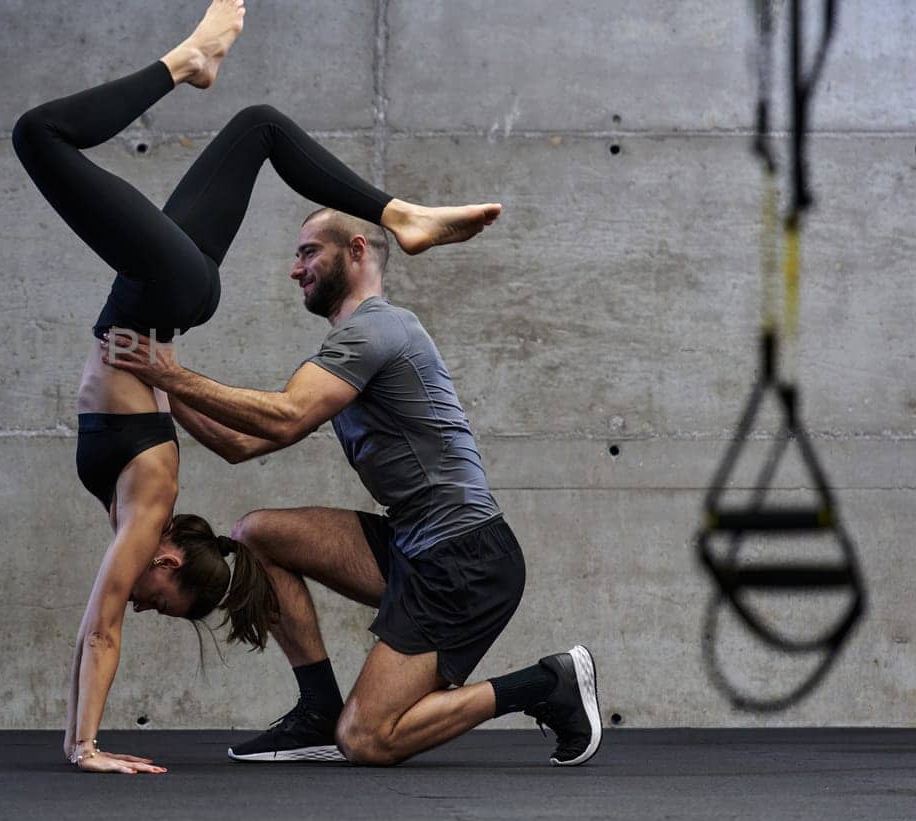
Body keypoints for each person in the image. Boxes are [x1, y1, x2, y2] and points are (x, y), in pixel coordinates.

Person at [11, 0, 503, 774]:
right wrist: (84, 746)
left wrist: (172, 385)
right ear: (167, 560)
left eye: (151, 606)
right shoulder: (146, 510)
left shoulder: (138, 505)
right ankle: (378, 198)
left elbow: (104, 616)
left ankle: (386, 203)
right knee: (55, 133)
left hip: (166, 290)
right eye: (157, 596)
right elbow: (102, 626)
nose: (140, 598)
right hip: (163, 291)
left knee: (250, 128)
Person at [104, 207, 601, 767]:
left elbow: (286, 415)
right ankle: (317, 711)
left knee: (366, 738)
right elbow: (238, 445)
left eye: (309, 251)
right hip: (414, 543)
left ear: (357, 250)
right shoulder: (355, 345)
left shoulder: (378, 330)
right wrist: (160, 393)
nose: (296, 269)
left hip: (465, 560)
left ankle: (546, 683)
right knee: (258, 534)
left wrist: (168, 374)